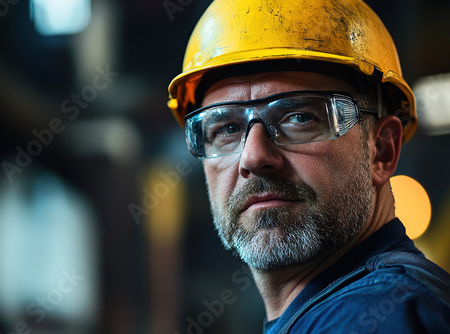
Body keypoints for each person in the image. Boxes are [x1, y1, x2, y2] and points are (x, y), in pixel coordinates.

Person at [167, 0, 450, 332]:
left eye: (299, 117)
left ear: (381, 150)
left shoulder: (380, 315)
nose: (253, 157)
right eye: (226, 128)